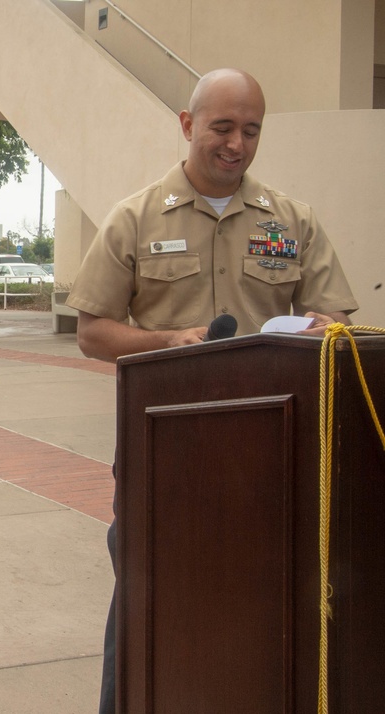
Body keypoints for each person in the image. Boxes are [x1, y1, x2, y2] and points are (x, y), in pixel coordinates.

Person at [64, 68, 359, 713]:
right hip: (165, 453)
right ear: (188, 124)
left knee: (267, 604)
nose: (237, 144)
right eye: (222, 128)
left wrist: (323, 329)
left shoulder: (291, 220)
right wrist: (166, 342)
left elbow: (337, 321)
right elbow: (92, 332)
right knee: (146, 602)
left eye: (251, 131)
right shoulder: (135, 219)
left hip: (277, 453)